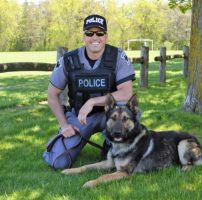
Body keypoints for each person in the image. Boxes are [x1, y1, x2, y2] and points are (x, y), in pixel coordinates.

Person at [43, 14, 136, 170]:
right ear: (84, 36)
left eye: (99, 33)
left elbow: (126, 93)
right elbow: (52, 95)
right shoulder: (68, 60)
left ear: (105, 36)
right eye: (89, 33)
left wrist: (92, 102)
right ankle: (73, 142)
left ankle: (110, 144)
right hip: (81, 117)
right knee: (58, 162)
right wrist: (64, 125)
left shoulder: (117, 56)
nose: (95, 37)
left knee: (129, 155)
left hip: (111, 116)